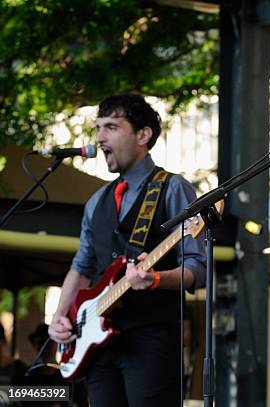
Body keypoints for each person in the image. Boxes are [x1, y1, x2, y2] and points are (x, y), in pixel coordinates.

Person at [48, 93, 206, 407]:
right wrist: (59, 317)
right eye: (98, 128)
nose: (99, 137)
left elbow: (198, 269)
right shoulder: (97, 202)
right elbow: (81, 267)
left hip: (151, 340)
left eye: (111, 127)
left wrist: (157, 280)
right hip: (98, 343)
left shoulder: (173, 188)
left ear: (143, 135)